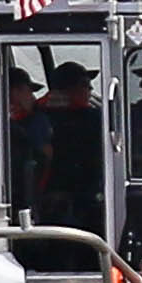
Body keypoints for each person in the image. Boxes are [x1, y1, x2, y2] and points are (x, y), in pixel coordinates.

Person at [18, 60, 104, 230]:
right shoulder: (94, 119)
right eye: (85, 85)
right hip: (81, 199)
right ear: (69, 89)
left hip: (42, 198)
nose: (91, 90)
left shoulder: (33, 115)